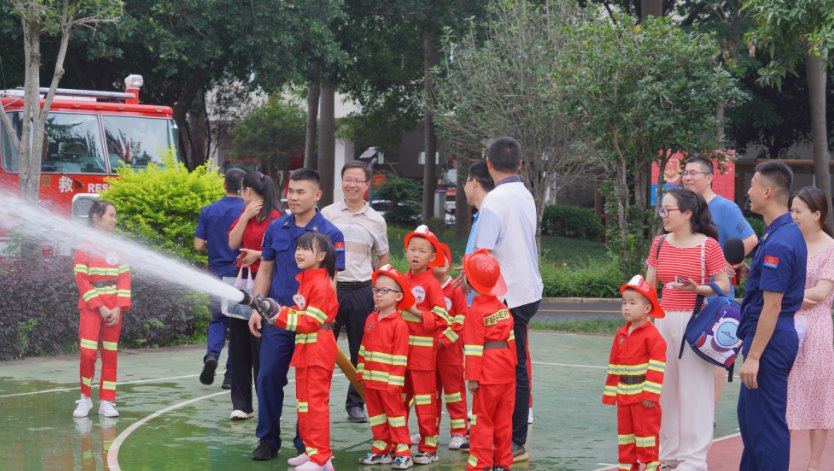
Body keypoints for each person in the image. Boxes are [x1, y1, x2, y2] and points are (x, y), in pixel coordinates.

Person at [248, 168, 345, 461]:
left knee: (310, 388)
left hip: (311, 325)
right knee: (267, 377)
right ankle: (268, 440)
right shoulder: (276, 228)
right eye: (290, 191)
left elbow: (330, 281)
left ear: (317, 195)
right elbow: (266, 270)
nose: (293, 197)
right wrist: (257, 308)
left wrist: (325, 320)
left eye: (301, 192)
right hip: (278, 318)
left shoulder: (330, 233)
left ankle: (307, 446)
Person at [460, 137, 542, 462]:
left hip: (507, 295)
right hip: (527, 289)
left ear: (489, 164)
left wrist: (469, 277)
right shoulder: (525, 194)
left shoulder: (494, 200)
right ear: (520, 164)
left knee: (510, 369)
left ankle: (513, 441)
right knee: (512, 366)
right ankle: (500, 437)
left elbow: (483, 254)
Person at [645, 187, 730, 471]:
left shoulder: (708, 246)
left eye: (668, 210)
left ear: (687, 213)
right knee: (664, 391)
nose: (663, 215)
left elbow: (724, 284)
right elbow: (649, 287)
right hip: (661, 321)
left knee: (696, 392)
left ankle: (693, 460)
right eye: (662, 209)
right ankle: (668, 456)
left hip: (694, 322)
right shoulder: (659, 243)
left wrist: (699, 288)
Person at [734, 161, 805, 471]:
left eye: (752, 185)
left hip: (770, 340)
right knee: (751, 421)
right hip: (770, 336)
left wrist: (754, 357)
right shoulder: (778, 232)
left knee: (766, 426)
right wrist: (751, 272)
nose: (748, 191)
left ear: (766, 191)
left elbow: (773, 306)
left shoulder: (779, 241)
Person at [682, 155, 758, 408]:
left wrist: (727, 263)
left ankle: (708, 413)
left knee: (713, 353)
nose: (687, 177)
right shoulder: (684, 207)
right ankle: (690, 410)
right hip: (686, 292)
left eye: (693, 173)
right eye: (685, 172)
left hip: (716, 295)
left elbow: (751, 238)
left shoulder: (725, 208)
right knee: (687, 353)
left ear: (709, 178)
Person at [265, 232, 340, 471]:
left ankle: (321, 459)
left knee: (315, 405)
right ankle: (312, 452)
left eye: (306, 249)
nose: (299, 252)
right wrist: (278, 310)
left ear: (321, 256)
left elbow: (311, 321)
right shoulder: (308, 281)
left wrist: (279, 316)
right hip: (307, 351)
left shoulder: (320, 285)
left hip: (317, 351)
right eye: (298, 248)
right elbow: (301, 314)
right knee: (305, 405)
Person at [322, 161, 389, 423]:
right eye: (348, 179)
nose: (352, 185)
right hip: (331, 290)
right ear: (342, 182)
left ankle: (355, 403)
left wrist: (378, 290)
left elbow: (382, 257)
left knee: (360, 350)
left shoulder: (376, 220)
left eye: (358, 180)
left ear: (367, 185)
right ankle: (320, 401)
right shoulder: (327, 214)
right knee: (323, 348)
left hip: (362, 291)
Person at [225, 172, 283, 421]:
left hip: (265, 285)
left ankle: (268, 406)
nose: (241, 194)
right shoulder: (246, 212)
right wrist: (245, 217)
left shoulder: (276, 217)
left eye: (242, 190)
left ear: (248, 191)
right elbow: (232, 243)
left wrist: (256, 255)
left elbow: (281, 252)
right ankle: (242, 405)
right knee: (238, 347)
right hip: (241, 284)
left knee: (262, 348)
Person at [787, 187, 834, 471]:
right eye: (791, 210)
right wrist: (793, 299)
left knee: (819, 395)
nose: (792, 216)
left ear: (817, 214)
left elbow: (820, 293)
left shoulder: (831, 248)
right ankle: (780, 461)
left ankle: (814, 465)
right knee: (784, 394)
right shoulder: (789, 242)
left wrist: (787, 297)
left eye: (798, 211)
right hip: (784, 323)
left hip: (816, 329)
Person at [72, 200, 130, 418]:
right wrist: (99, 306)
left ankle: (106, 401)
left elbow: (124, 277)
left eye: (115, 216)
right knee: (88, 353)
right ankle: (85, 399)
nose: (115, 220)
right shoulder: (84, 246)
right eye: (111, 216)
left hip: (114, 308)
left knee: (110, 353)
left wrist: (118, 307)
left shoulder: (118, 247)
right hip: (90, 307)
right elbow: (81, 279)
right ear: (96, 217)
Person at [603, 275, 667, 471]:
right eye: (624, 302)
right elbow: (614, 366)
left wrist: (650, 395)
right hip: (623, 396)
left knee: (646, 433)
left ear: (647, 308)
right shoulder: (621, 335)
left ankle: (651, 465)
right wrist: (611, 394)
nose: (626, 307)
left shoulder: (653, 336)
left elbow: (657, 366)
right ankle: (627, 465)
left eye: (632, 303)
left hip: (643, 398)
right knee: (625, 434)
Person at [461, 248, 515, 471]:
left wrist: (472, 378)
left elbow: (473, 348)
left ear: (470, 283)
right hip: (506, 372)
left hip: (487, 373)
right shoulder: (503, 308)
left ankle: (480, 465)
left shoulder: (475, 312)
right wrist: (512, 367)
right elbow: (511, 341)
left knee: (482, 420)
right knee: (504, 422)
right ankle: (502, 464)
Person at [356, 265, 414, 469]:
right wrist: (361, 371)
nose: (378, 294)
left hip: (390, 385)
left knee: (396, 418)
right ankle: (381, 450)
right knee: (377, 418)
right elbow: (363, 348)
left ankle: (403, 453)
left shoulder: (400, 324)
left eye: (384, 290)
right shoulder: (370, 319)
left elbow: (400, 358)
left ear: (398, 297)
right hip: (371, 383)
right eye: (375, 290)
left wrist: (394, 383)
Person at [194, 167, 246, 389]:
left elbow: (198, 245)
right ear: (244, 188)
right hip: (239, 274)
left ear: (224, 185)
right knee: (237, 324)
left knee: (217, 320)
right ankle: (230, 375)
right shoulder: (247, 210)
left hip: (215, 273)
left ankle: (212, 355)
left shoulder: (209, 210)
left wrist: (214, 245)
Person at [402, 225, 450, 464]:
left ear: (432, 257)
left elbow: (442, 318)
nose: (416, 254)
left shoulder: (432, 284)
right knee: (398, 402)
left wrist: (415, 312)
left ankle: (428, 447)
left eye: (422, 251)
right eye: (412, 249)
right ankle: (398, 446)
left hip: (422, 357)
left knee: (425, 402)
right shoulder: (400, 280)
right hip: (399, 357)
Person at [431, 243, 468, 450]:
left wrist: (443, 340)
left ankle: (459, 432)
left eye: (444, 256)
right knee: (430, 394)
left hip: (450, 351)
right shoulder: (426, 288)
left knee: (454, 392)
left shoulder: (455, 288)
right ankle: (430, 432)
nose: (441, 261)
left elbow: (462, 318)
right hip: (428, 352)